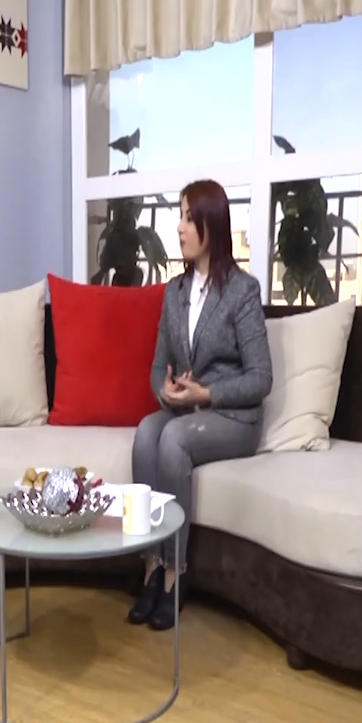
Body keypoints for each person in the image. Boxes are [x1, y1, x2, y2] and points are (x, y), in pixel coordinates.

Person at [128, 180, 273, 630]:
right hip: (186, 410)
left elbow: (261, 379)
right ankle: (150, 567)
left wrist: (205, 395)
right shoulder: (174, 293)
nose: (180, 227)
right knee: (146, 434)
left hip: (233, 417)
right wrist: (167, 390)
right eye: (180, 216)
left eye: (189, 218)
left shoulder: (242, 291)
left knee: (172, 438)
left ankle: (177, 573)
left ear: (213, 224)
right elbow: (158, 366)